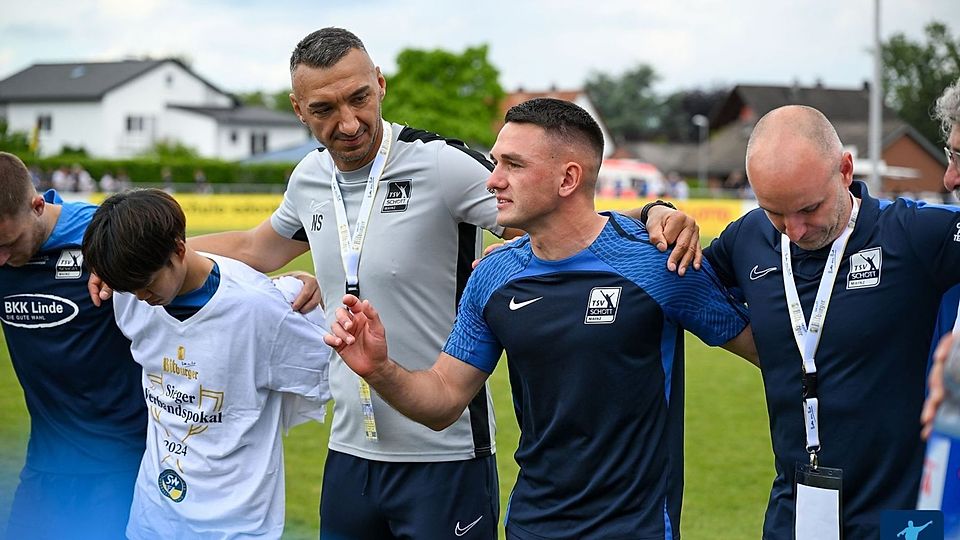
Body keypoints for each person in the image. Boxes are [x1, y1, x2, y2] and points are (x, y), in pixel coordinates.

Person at [325, 98, 756, 539]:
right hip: (531, 526)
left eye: (513, 165)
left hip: (635, 529)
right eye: (496, 163)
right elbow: (442, 401)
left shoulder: (657, 265)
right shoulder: (493, 275)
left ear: (568, 178)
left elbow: (772, 354)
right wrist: (379, 368)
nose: (493, 180)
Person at [649, 104, 960, 539]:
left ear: (845, 170)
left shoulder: (913, 236)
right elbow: (662, 275)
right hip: (795, 512)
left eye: (809, 208)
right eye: (775, 212)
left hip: (904, 518)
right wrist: (655, 212)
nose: (794, 229)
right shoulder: (748, 239)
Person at [81, 189, 331, 539]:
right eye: (130, 288)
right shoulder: (128, 295)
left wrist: (309, 293)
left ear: (179, 251)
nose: (140, 298)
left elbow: (338, 368)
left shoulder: (258, 311)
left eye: (147, 284)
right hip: (150, 519)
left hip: (235, 527)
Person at [0, 151, 146, 539]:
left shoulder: (101, 234)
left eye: (7, 243)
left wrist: (281, 287)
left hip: (121, 464)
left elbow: (187, 266)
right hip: (44, 465)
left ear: (37, 206)